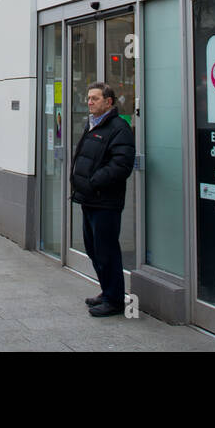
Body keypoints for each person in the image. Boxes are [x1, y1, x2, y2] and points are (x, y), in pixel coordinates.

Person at [70, 82, 135, 317]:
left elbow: (121, 165)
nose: (89, 102)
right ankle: (107, 291)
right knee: (93, 248)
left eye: (95, 98)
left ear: (108, 102)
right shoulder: (92, 125)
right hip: (89, 199)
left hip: (105, 201)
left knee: (106, 250)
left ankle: (115, 300)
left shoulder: (119, 128)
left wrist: (93, 182)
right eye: (88, 98)